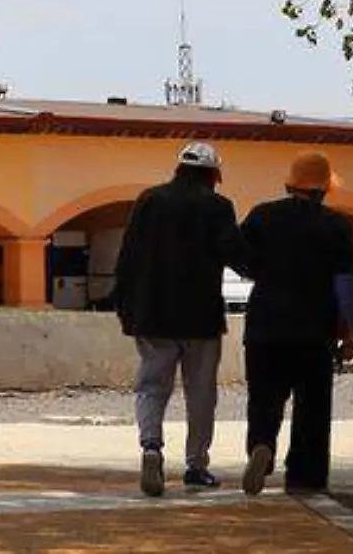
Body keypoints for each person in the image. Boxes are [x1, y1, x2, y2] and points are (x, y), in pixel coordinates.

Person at [111, 141, 251, 496]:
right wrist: (268, 270)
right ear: (213, 175)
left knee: (151, 387)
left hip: (152, 314)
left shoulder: (149, 200)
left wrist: (125, 308)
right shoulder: (217, 206)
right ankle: (196, 466)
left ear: (179, 168)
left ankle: (151, 447)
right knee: (201, 393)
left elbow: (127, 257)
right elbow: (234, 253)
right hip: (199, 316)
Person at [239, 151, 353, 496]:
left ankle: (262, 445)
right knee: (312, 407)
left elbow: (240, 257)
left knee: (264, 398)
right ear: (324, 191)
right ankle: (305, 477)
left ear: (289, 185)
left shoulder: (262, 216)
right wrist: (352, 332)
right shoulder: (336, 225)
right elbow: (346, 284)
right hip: (314, 330)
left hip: (265, 325)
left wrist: (262, 270)